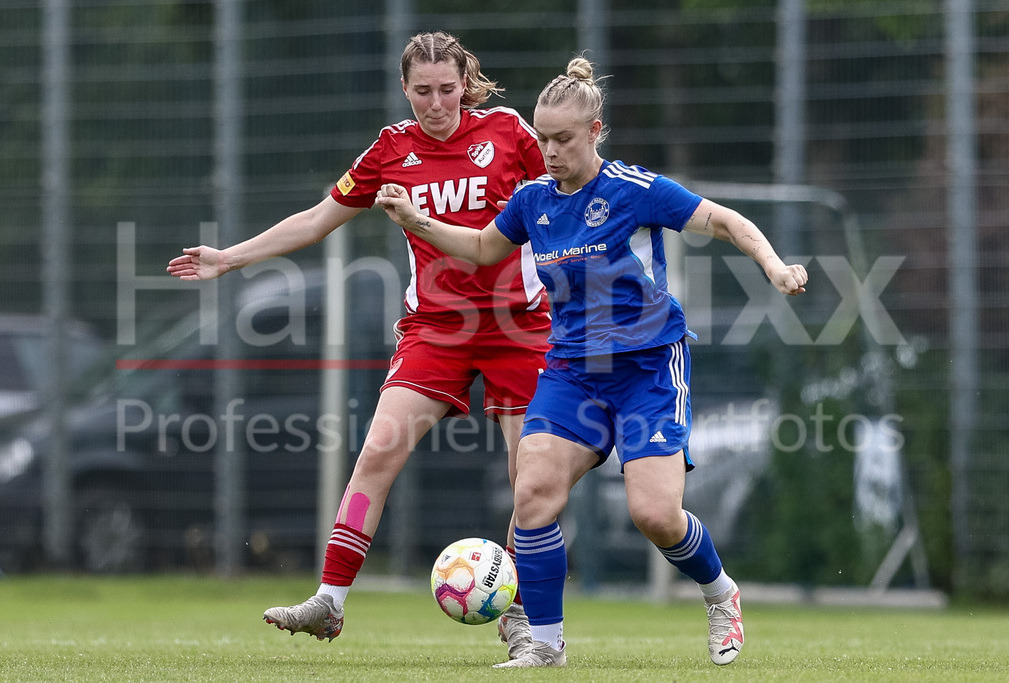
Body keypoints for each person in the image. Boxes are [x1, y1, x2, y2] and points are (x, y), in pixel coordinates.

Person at [376, 56, 808, 668]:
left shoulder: (635, 191)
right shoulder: (532, 201)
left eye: (562, 139)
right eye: (541, 137)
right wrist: (417, 220)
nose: (547, 150)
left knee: (654, 515)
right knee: (533, 494)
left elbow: (724, 220)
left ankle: (719, 592)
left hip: (648, 368)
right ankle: (546, 646)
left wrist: (775, 267)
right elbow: (479, 248)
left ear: (595, 132)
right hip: (573, 369)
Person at [166, 31, 549, 659]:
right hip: (436, 329)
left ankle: (522, 619)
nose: (435, 104)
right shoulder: (391, 150)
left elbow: (564, 196)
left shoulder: (508, 133)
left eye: (447, 90)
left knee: (528, 478)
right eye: (422, 91)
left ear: (465, 83)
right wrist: (230, 258)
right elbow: (317, 220)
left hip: (521, 326)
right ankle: (330, 601)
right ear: (405, 88)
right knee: (377, 449)